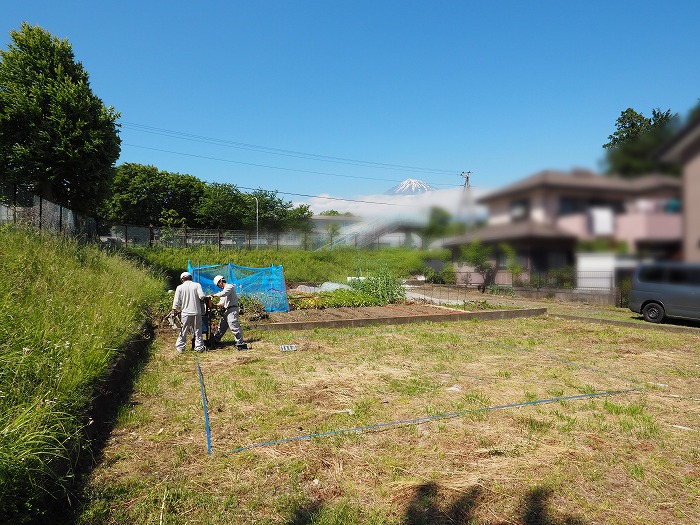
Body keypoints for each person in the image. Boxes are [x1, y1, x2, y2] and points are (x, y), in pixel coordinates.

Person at [172, 271, 206, 353]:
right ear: (191, 277)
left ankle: (180, 348)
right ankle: (199, 348)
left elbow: (176, 301)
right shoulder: (197, 285)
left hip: (186, 313)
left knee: (183, 330)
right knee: (198, 330)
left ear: (182, 279)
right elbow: (202, 296)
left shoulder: (179, 287)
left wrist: (174, 309)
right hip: (197, 312)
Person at [210, 274, 246, 349]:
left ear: (220, 281)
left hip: (232, 309)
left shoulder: (229, 287)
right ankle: (216, 340)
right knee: (222, 326)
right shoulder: (224, 290)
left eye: (218, 285)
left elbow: (223, 294)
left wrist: (214, 295)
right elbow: (221, 303)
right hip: (227, 310)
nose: (218, 286)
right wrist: (213, 306)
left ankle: (240, 341)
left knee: (233, 325)